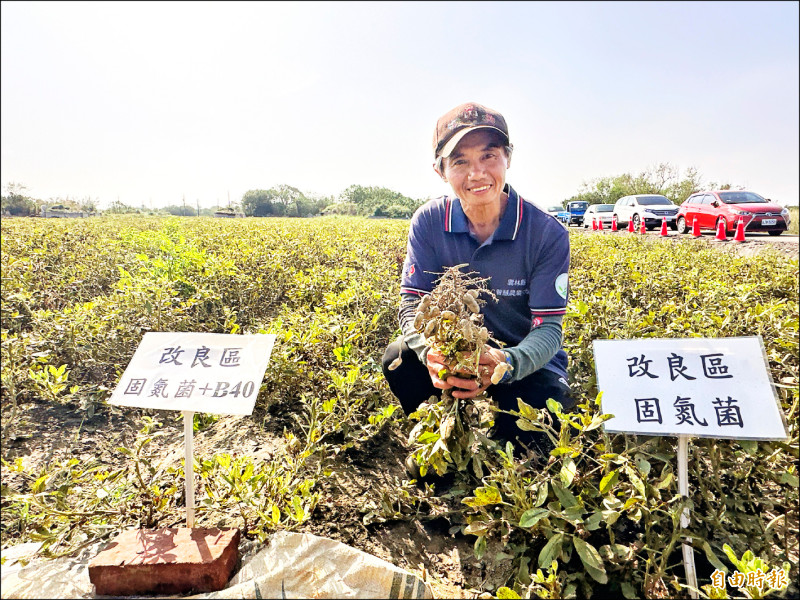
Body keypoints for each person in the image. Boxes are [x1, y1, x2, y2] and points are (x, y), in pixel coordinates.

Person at [382, 102, 573, 454]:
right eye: (460, 161)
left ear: (508, 159)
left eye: (489, 156)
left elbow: (549, 329)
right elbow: (412, 305)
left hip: (520, 359)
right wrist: (431, 355)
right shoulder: (428, 221)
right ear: (441, 171)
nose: (477, 173)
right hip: (455, 353)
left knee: (535, 435)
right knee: (399, 359)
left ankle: (503, 429)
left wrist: (506, 363)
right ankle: (440, 436)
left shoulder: (546, 232)